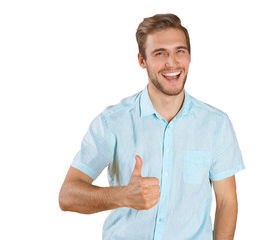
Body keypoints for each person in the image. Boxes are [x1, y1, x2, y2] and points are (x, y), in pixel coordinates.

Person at [59, 13, 245, 240]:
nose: (172, 62)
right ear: (142, 60)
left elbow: (227, 201)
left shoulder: (216, 125)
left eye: (180, 51)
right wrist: (124, 196)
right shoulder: (113, 122)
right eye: (160, 54)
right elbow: (67, 196)